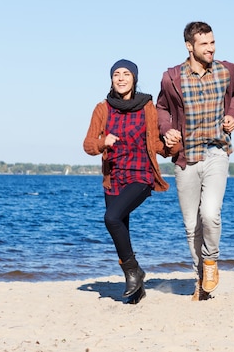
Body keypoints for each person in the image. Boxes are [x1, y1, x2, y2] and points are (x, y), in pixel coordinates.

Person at [157, 22, 234, 301]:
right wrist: (166, 129)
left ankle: (210, 262)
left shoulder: (226, 70)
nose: (211, 48)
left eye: (212, 42)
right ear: (189, 46)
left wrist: (232, 113)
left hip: (216, 151)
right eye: (204, 44)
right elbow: (160, 108)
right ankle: (201, 280)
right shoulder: (172, 77)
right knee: (191, 225)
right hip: (186, 157)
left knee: (210, 213)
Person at [83, 59, 180, 304]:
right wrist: (102, 142)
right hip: (114, 177)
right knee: (120, 230)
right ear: (111, 79)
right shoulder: (102, 108)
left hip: (141, 174)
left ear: (134, 78)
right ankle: (136, 288)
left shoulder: (147, 107)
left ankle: (133, 271)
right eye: (117, 74)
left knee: (111, 218)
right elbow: (88, 145)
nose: (121, 78)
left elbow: (156, 143)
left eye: (126, 73)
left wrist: (172, 145)